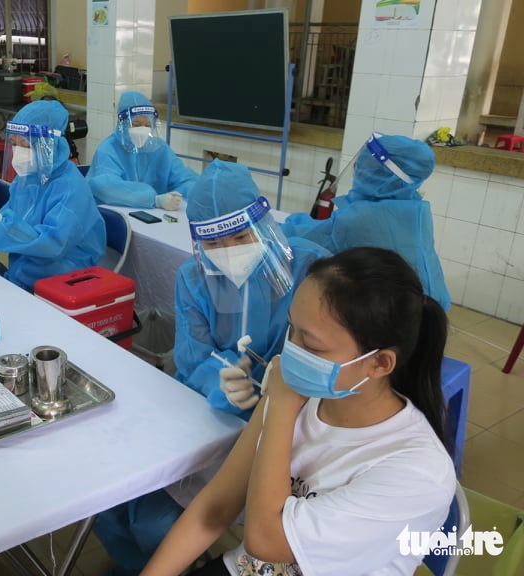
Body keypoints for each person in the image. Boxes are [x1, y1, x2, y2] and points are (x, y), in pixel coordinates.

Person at [140, 247, 455, 576]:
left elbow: (267, 541)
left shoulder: (417, 473)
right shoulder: (299, 392)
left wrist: (282, 406)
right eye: (292, 330)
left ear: (378, 363)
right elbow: (217, 505)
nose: (290, 352)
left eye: (311, 345)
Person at [93, 160, 328, 575]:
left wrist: (279, 382)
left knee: (159, 523)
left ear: (263, 220)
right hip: (206, 406)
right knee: (112, 496)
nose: (230, 252)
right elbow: (191, 355)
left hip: (282, 422)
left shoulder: (308, 266)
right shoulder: (194, 276)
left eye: (240, 236)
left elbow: (329, 349)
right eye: (215, 244)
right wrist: (221, 380)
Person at [283, 133, 451, 310]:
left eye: (362, 168)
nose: (357, 171)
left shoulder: (360, 219)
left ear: (380, 177)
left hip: (387, 319)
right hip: (426, 314)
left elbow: (305, 238)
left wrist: (284, 221)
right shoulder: (416, 210)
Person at [0, 100, 105, 292]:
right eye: (14, 144)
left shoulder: (70, 188)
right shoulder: (26, 181)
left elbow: (51, 244)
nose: (18, 152)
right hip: (22, 278)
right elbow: (9, 218)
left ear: (50, 146)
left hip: (61, 285)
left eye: (26, 145)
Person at [87, 91, 197, 210]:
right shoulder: (108, 149)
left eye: (147, 125)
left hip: (155, 217)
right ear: (122, 124)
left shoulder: (160, 149)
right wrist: (154, 200)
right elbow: (105, 186)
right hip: (114, 216)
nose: (143, 130)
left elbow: (184, 178)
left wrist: (191, 193)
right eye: (136, 124)